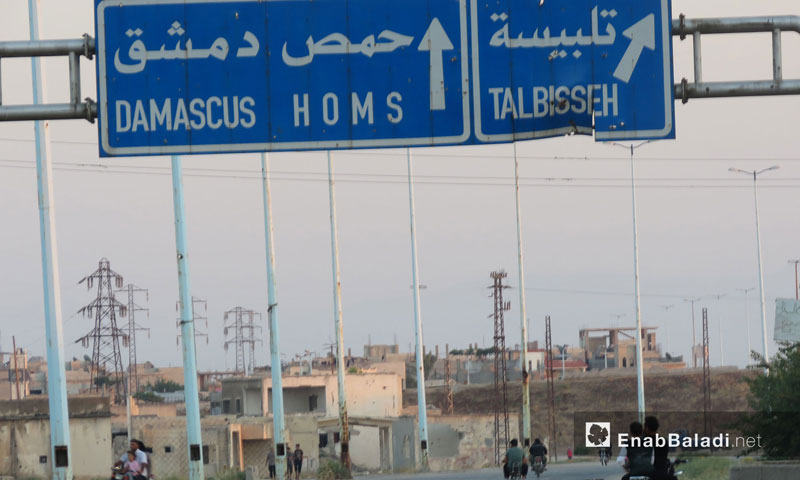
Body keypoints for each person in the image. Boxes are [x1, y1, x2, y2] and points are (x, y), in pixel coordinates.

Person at [644, 416, 672, 480]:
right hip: (662, 473)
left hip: (648, 473)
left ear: (647, 428)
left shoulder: (643, 441)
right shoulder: (664, 441)